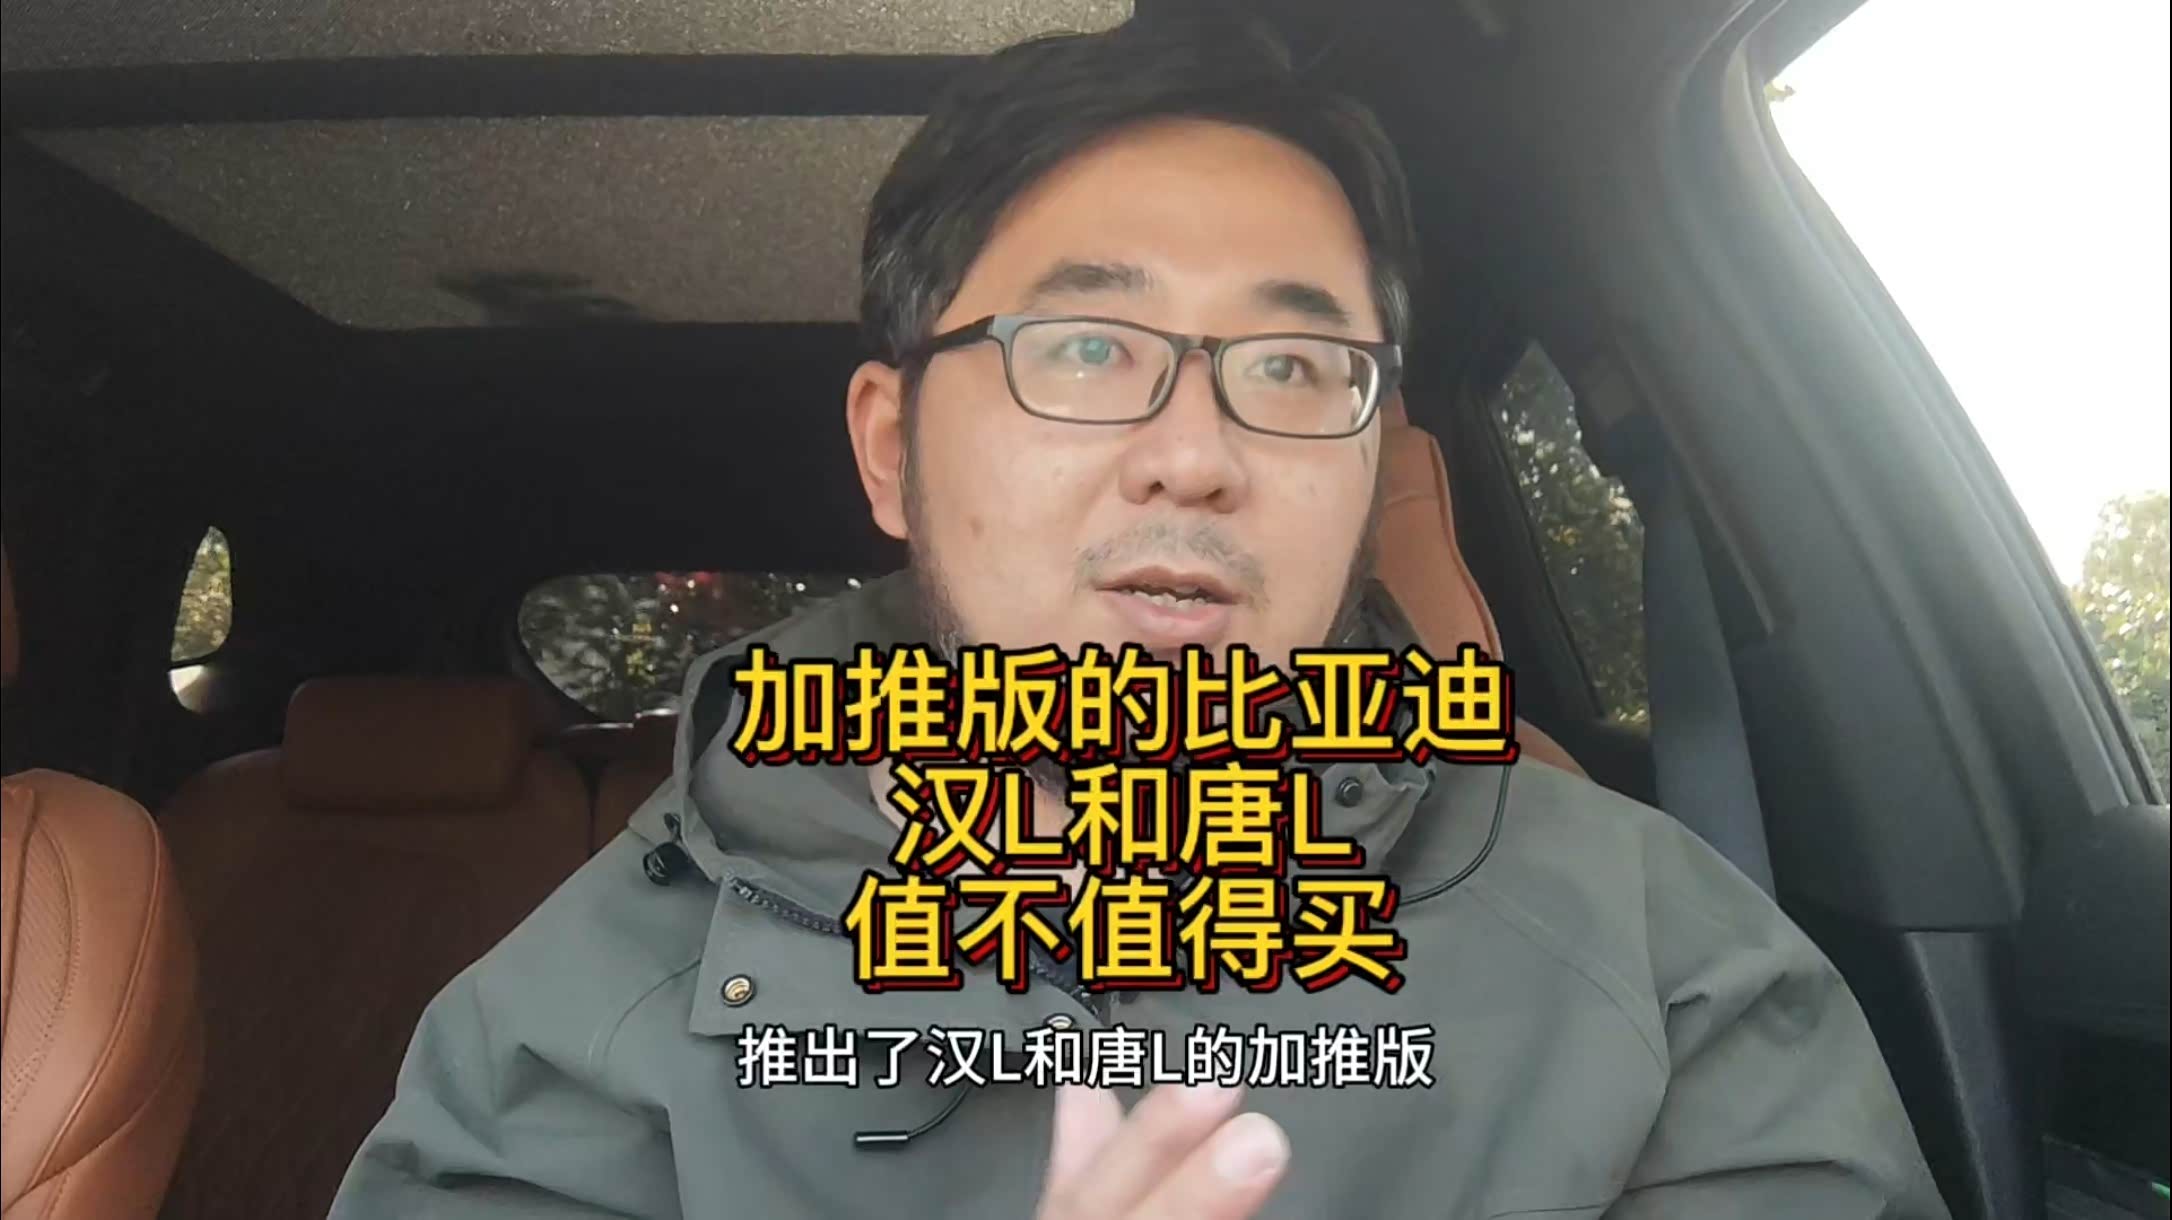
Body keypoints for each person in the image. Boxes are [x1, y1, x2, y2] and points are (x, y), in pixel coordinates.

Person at [329, 15, 1950, 1220]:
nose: (1196, 454)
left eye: (1295, 366)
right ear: (893, 450)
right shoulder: (585, 1017)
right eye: (1091, 349)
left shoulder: (1659, 960)